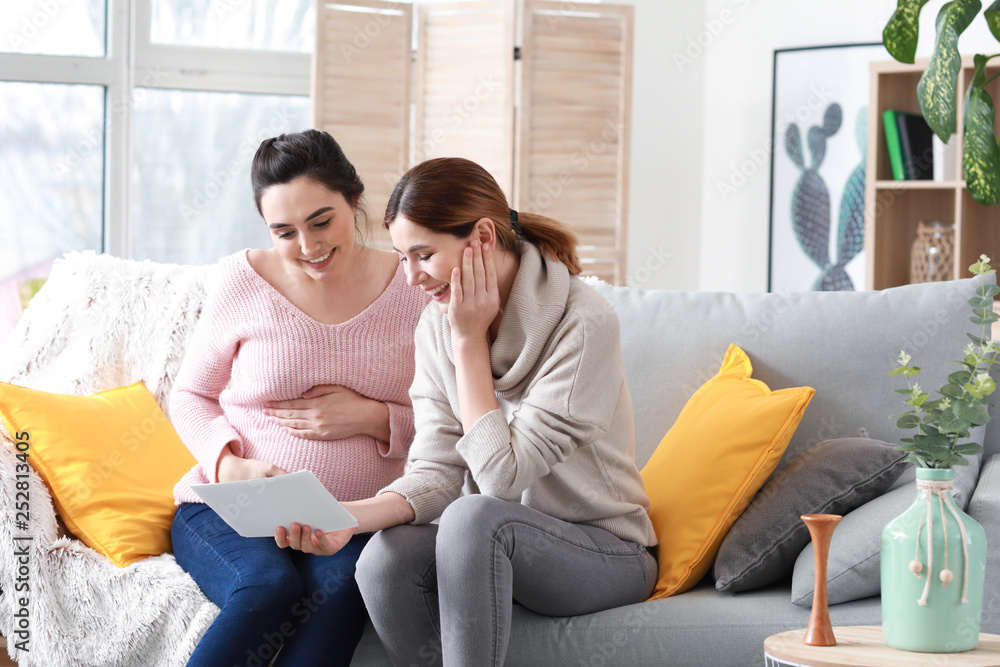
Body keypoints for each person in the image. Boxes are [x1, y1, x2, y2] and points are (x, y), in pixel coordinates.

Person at [276, 157, 658, 666]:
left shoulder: (584, 324)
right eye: (401, 257)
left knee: (475, 516)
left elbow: (500, 477)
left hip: (604, 554)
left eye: (423, 254)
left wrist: (470, 342)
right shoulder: (436, 326)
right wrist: (348, 518)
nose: (410, 278)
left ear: (481, 237)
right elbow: (435, 471)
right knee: (385, 559)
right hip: (491, 547)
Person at [169, 129, 429, 666]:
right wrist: (226, 465)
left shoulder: (413, 290)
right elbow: (191, 394)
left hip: (350, 520)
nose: (309, 247)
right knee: (266, 587)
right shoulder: (241, 280)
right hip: (233, 508)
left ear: (354, 200)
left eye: (321, 221)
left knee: (337, 595)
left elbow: (454, 422)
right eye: (284, 231)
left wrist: (378, 419)